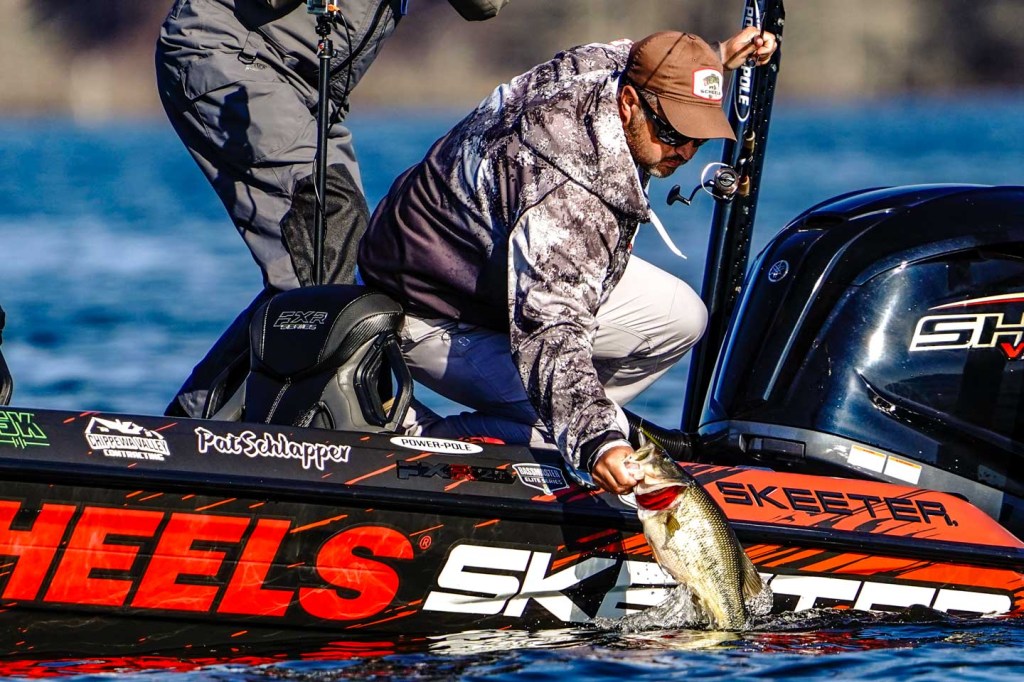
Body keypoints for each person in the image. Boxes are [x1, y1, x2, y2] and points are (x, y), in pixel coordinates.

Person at [357, 28, 777, 494]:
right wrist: (597, 440)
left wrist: (714, 60)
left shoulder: (604, 68)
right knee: (567, 432)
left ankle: (561, 419)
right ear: (629, 104)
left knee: (681, 319)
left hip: (494, 268)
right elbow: (550, 326)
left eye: (698, 138)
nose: (683, 151)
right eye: (672, 132)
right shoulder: (565, 192)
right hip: (428, 309)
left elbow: (646, 56)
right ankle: (423, 437)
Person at [155, 0, 509, 418]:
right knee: (329, 240)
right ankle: (302, 420)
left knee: (347, 267)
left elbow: (482, 6)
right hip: (230, 57)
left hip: (312, 95)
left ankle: (200, 420)